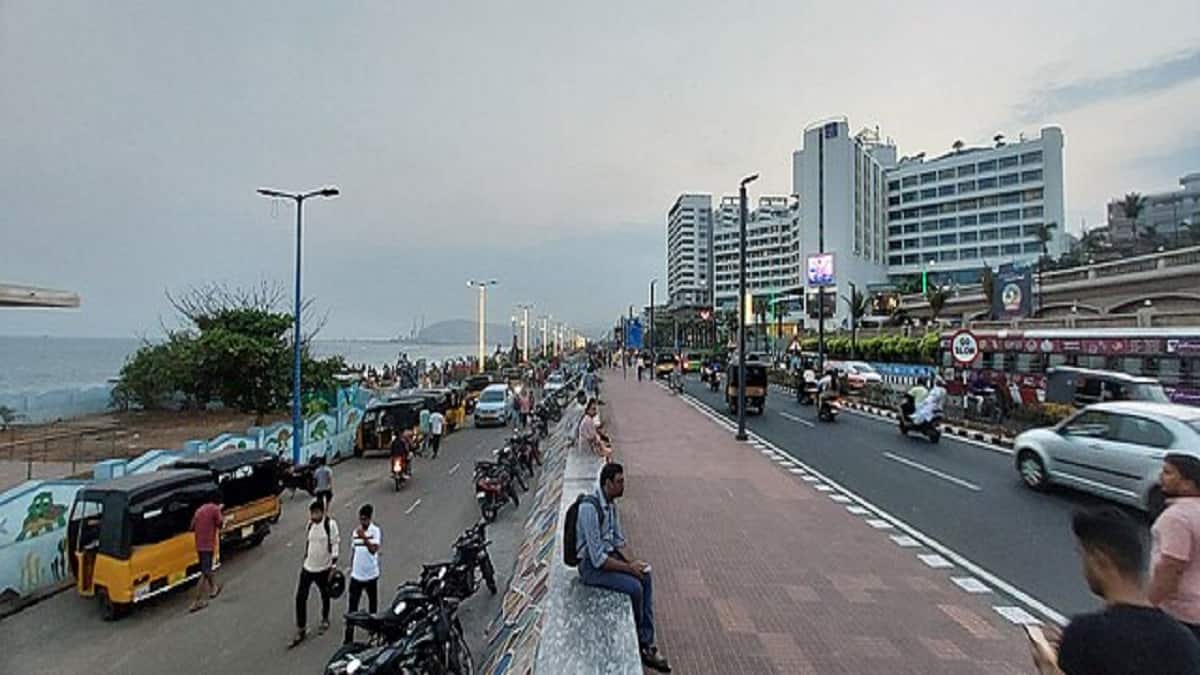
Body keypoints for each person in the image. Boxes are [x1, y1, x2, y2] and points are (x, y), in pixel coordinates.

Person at [1029, 507, 1200, 674]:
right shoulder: (1184, 640)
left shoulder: (1086, 634)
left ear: (1101, 562)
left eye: (1083, 557)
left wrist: (1047, 666)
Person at [576, 463, 671, 672]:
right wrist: (629, 570)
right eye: (619, 482)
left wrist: (634, 564)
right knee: (635, 588)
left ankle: (647, 641)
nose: (623, 486)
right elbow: (598, 559)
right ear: (607, 483)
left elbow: (619, 541)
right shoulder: (589, 509)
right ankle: (639, 639)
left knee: (645, 576)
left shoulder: (611, 505)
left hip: (607, 556)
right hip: (591, 567)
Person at [1151, 453, 1200, 640]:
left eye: (1168, 473)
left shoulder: (1177, 518)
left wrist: (1150, 604)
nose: (1160, 477)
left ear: (1188, 483)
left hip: (1181, 612)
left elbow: (1171, 566)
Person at [291, 499, 341, 647]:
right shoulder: (310, 525)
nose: (313, 515)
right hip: (308, 567)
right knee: (300, 597)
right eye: (312, 513)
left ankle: (325, 618)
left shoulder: (330, 525)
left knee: (325, 594)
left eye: (316, 513)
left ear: (322, 512)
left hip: (323, 568)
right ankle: (301, 628)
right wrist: (306, 557)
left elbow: (335, 544)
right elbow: (309, 543)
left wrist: (333, 566)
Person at [344, 504, 381, 645]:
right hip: (356, 576)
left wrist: (364, 537)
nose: (362, 522)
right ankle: (348, 638)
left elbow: (373, 549)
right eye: (361, 519)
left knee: (373, 606)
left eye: (365, 519)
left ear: (370, 519)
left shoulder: (375, 531)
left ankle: (373, 632)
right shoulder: (355, 532)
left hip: (371, 575)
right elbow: (354, 551)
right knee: (352, 608)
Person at [189, 498, 223, 613]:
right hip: (208, 545)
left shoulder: (198, 511)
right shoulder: (215, 509)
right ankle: (196, 601)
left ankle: (214, 588)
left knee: (206, 569)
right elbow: (220, 524)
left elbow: (191, 527)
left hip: (199, 545)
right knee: (205, 571)